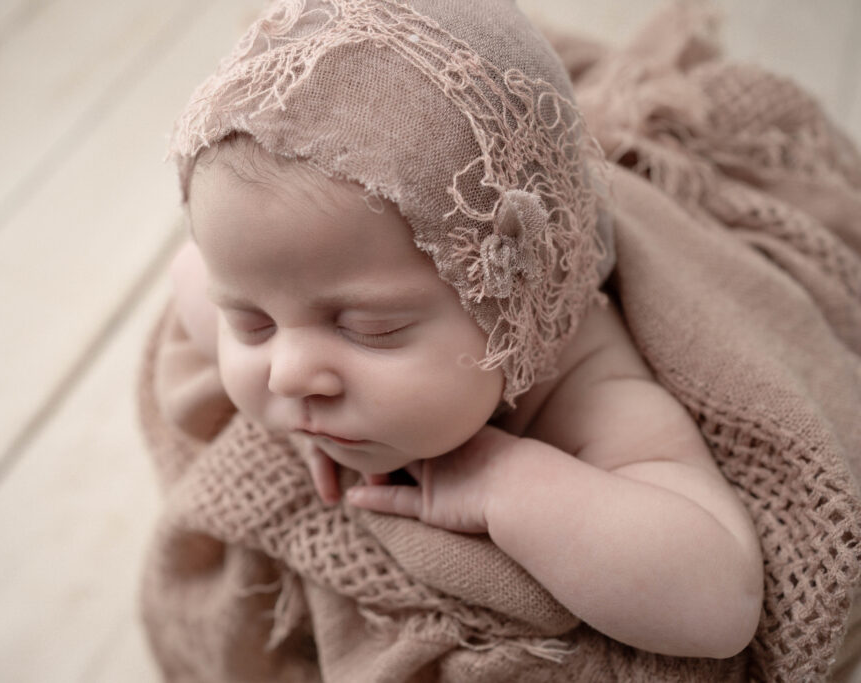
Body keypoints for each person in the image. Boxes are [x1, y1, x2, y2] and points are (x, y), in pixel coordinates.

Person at [166, 0, 764, 662]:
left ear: (509, 302)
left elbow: (721, 604)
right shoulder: (278, 289)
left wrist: (501, 479)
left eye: (370, 327)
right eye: (253, 323)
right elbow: (189, 276)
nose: (287, 373)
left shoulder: (582, 377)